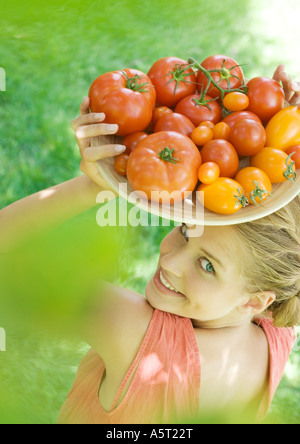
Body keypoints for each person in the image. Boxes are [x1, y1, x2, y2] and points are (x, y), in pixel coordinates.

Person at [0, 66, 299, 424]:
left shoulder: (134, 334)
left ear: (255, 300)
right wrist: (280, 126)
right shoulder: (278, 328)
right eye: (187, 232)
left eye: (208, 266)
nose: (171, 261)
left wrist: (96, 186)